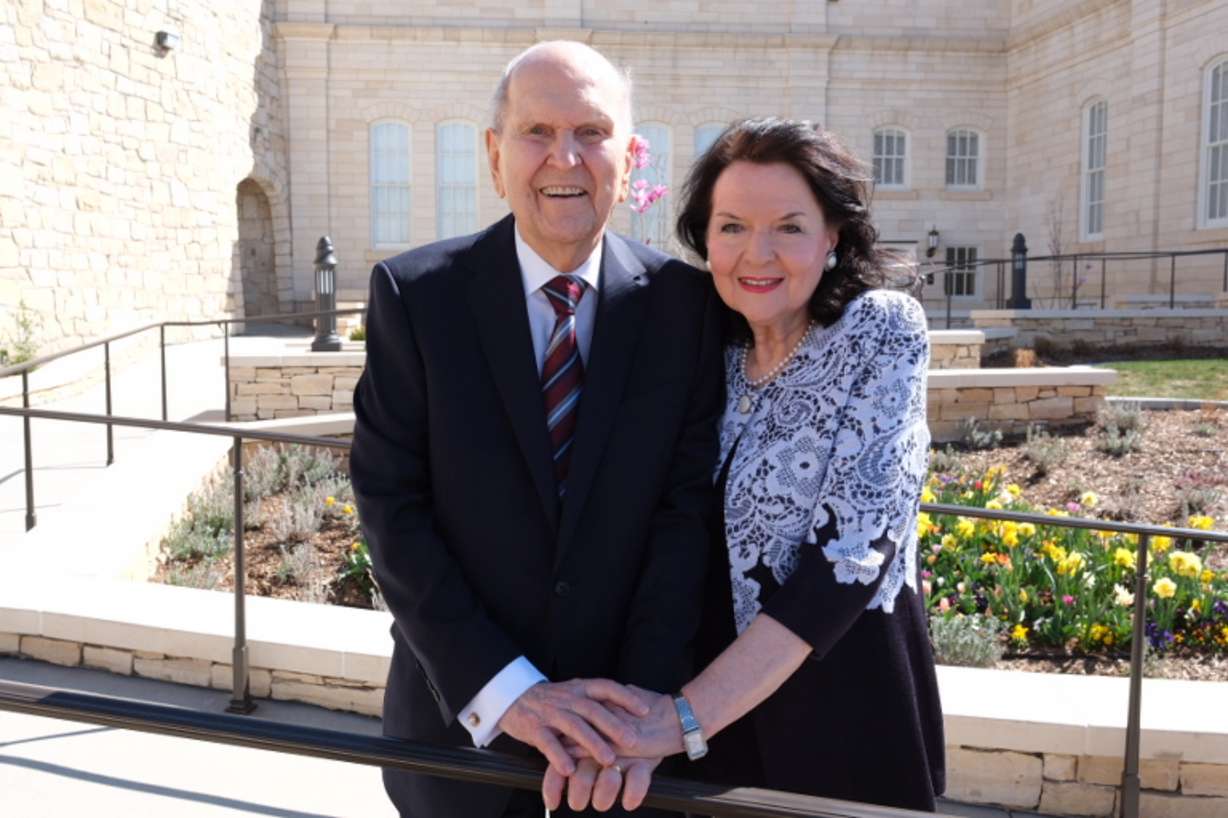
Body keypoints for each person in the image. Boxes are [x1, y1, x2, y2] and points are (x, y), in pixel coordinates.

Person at [349, 41, 723, 818]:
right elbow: (392, 510)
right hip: (460, 742)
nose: (566, 157)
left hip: (627, 760)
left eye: (592, 132)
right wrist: (507, 693)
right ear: (494, 154)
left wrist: (632, 718)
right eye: (537, 132)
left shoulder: (686, 310)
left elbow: (684, 516)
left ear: (630, 153)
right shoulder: (416, 299)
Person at [544, 118, 946, 813]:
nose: (756, 253)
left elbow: (848, 561)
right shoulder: (706, 348)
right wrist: (627, 715)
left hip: (839, 724)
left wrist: (680, 719)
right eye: (731, 227)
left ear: (834, 238)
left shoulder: (879, 331)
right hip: (704, 733)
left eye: (788, 227)